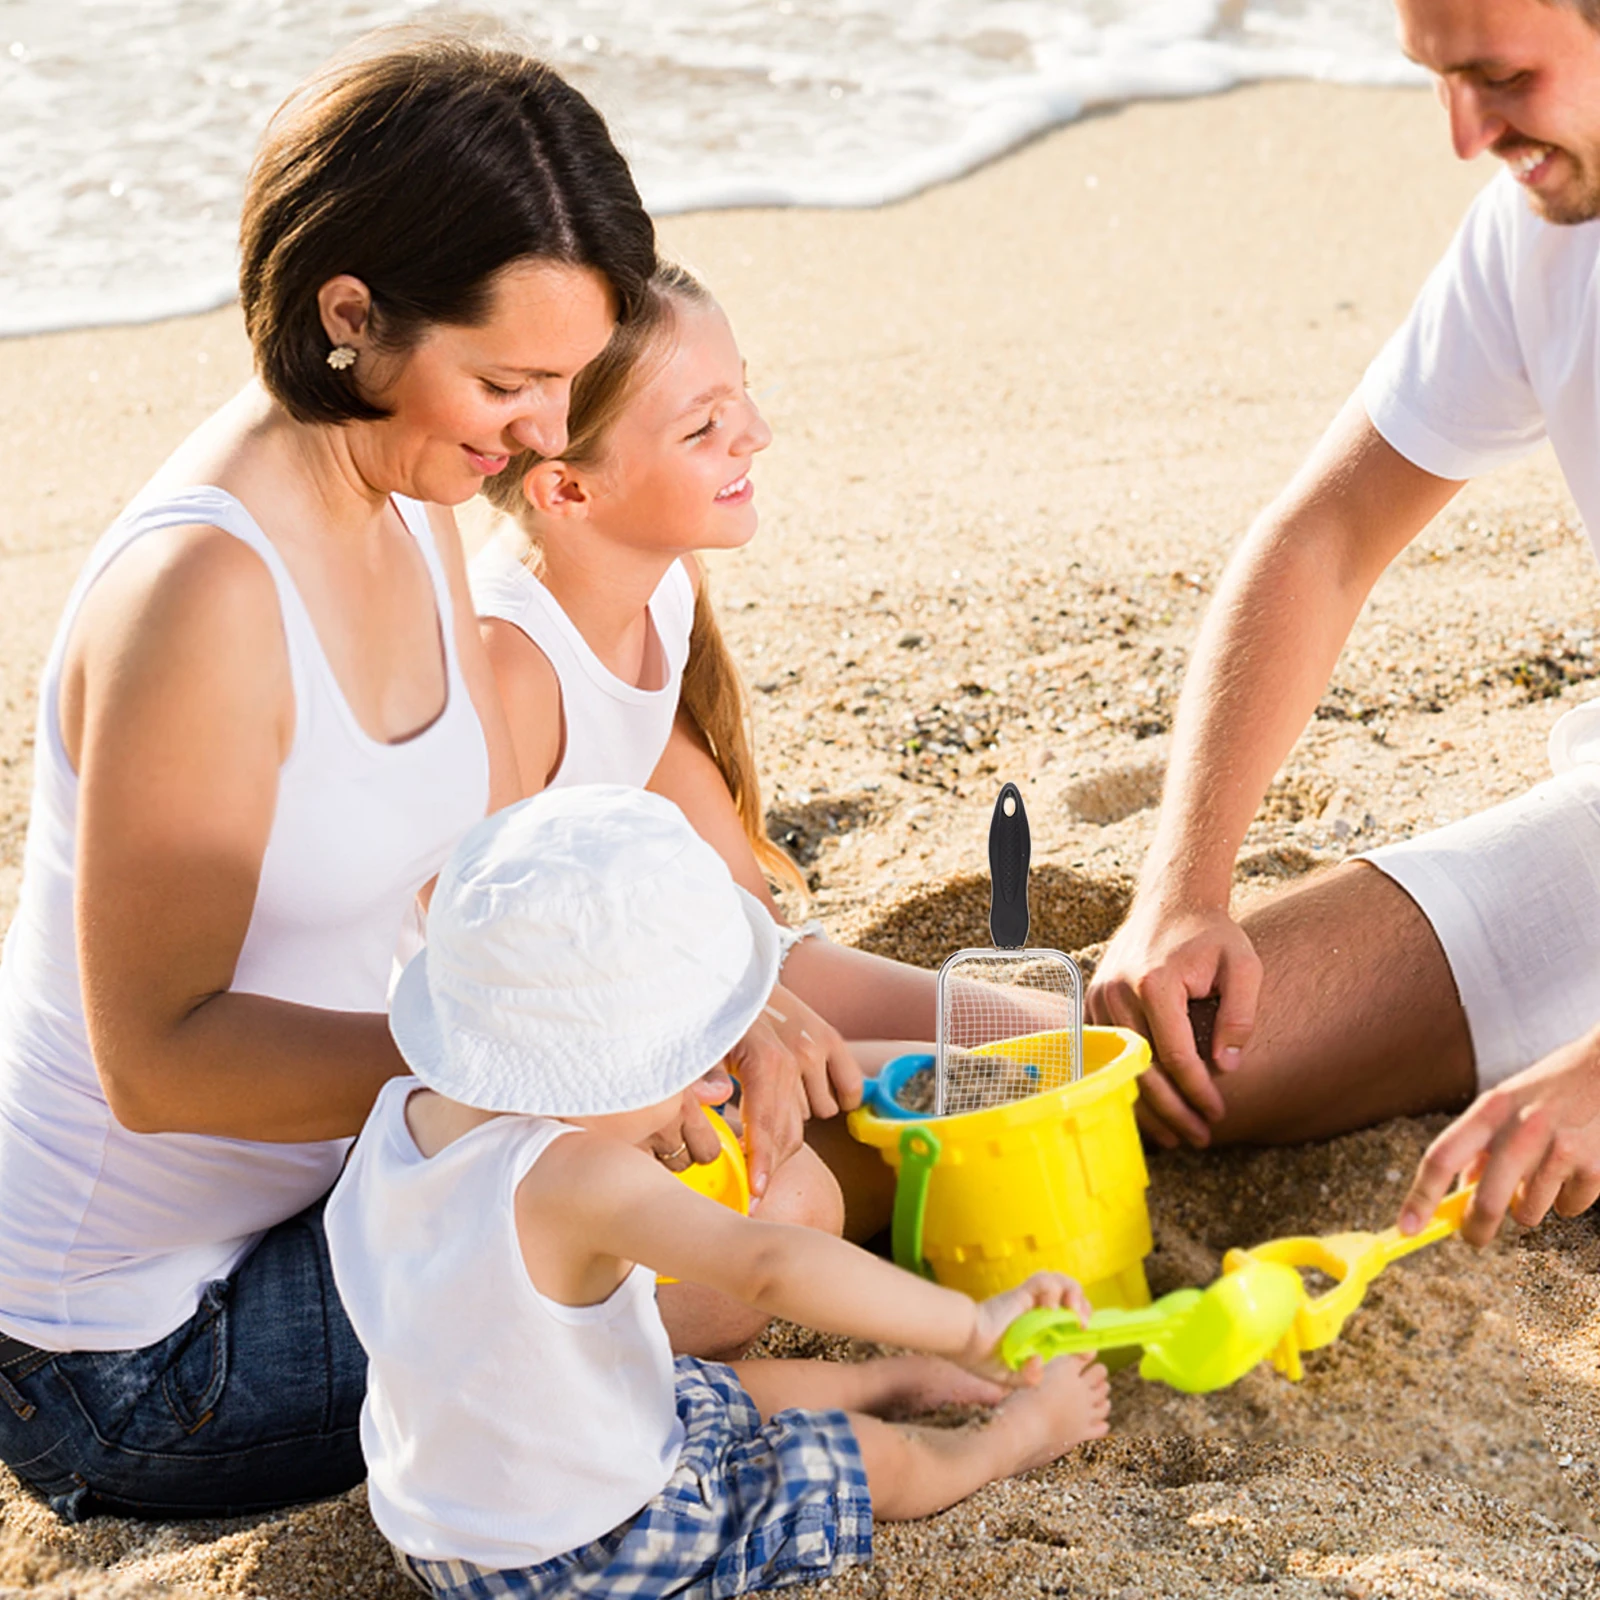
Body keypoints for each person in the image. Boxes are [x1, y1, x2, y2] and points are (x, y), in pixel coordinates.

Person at [0, 28, 665, 1522]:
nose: (548, 435)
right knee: (702, 1253)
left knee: (742, 1158)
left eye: (569, 381)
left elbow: (486, 867)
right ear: (349, 314)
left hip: (316, 1200)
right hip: (130, 1357)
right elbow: (157, 1062)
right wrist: (519, 1077)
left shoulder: (406, 483)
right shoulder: (207, 599)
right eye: (509, 379)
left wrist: (705, 1005)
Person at [1086, 0, 1600, 1250]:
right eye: (1435, 79)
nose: (1464, 133)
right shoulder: (1534, 239)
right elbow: (1321, 538)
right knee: (1157, 1067)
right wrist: (1182, 884)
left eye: (1500, 77)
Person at [324, 785, 1110, 1600]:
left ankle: (898, 1379)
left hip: (444, 1520)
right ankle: (1013, 1439)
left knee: (722, 1390)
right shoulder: (572, 1176)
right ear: (589, 1070)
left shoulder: (400, 1115)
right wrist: (972, 1323)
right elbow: (769, 1264)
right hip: (576, 1552)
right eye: (684, 1064)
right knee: (860, 1459)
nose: (708, 1090)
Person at [471, 262, 941, 1240]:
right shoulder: (509, 664)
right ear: (566, 487)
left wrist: (768, 985)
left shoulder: (660, 580)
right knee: (955, 1116)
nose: (755, 435)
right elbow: (498, 976)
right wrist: (733, 1029)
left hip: (695, 959)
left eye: (741, 396)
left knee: (1034, 1052)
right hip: (590, 1049)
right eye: (703, 427)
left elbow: (685, 801)